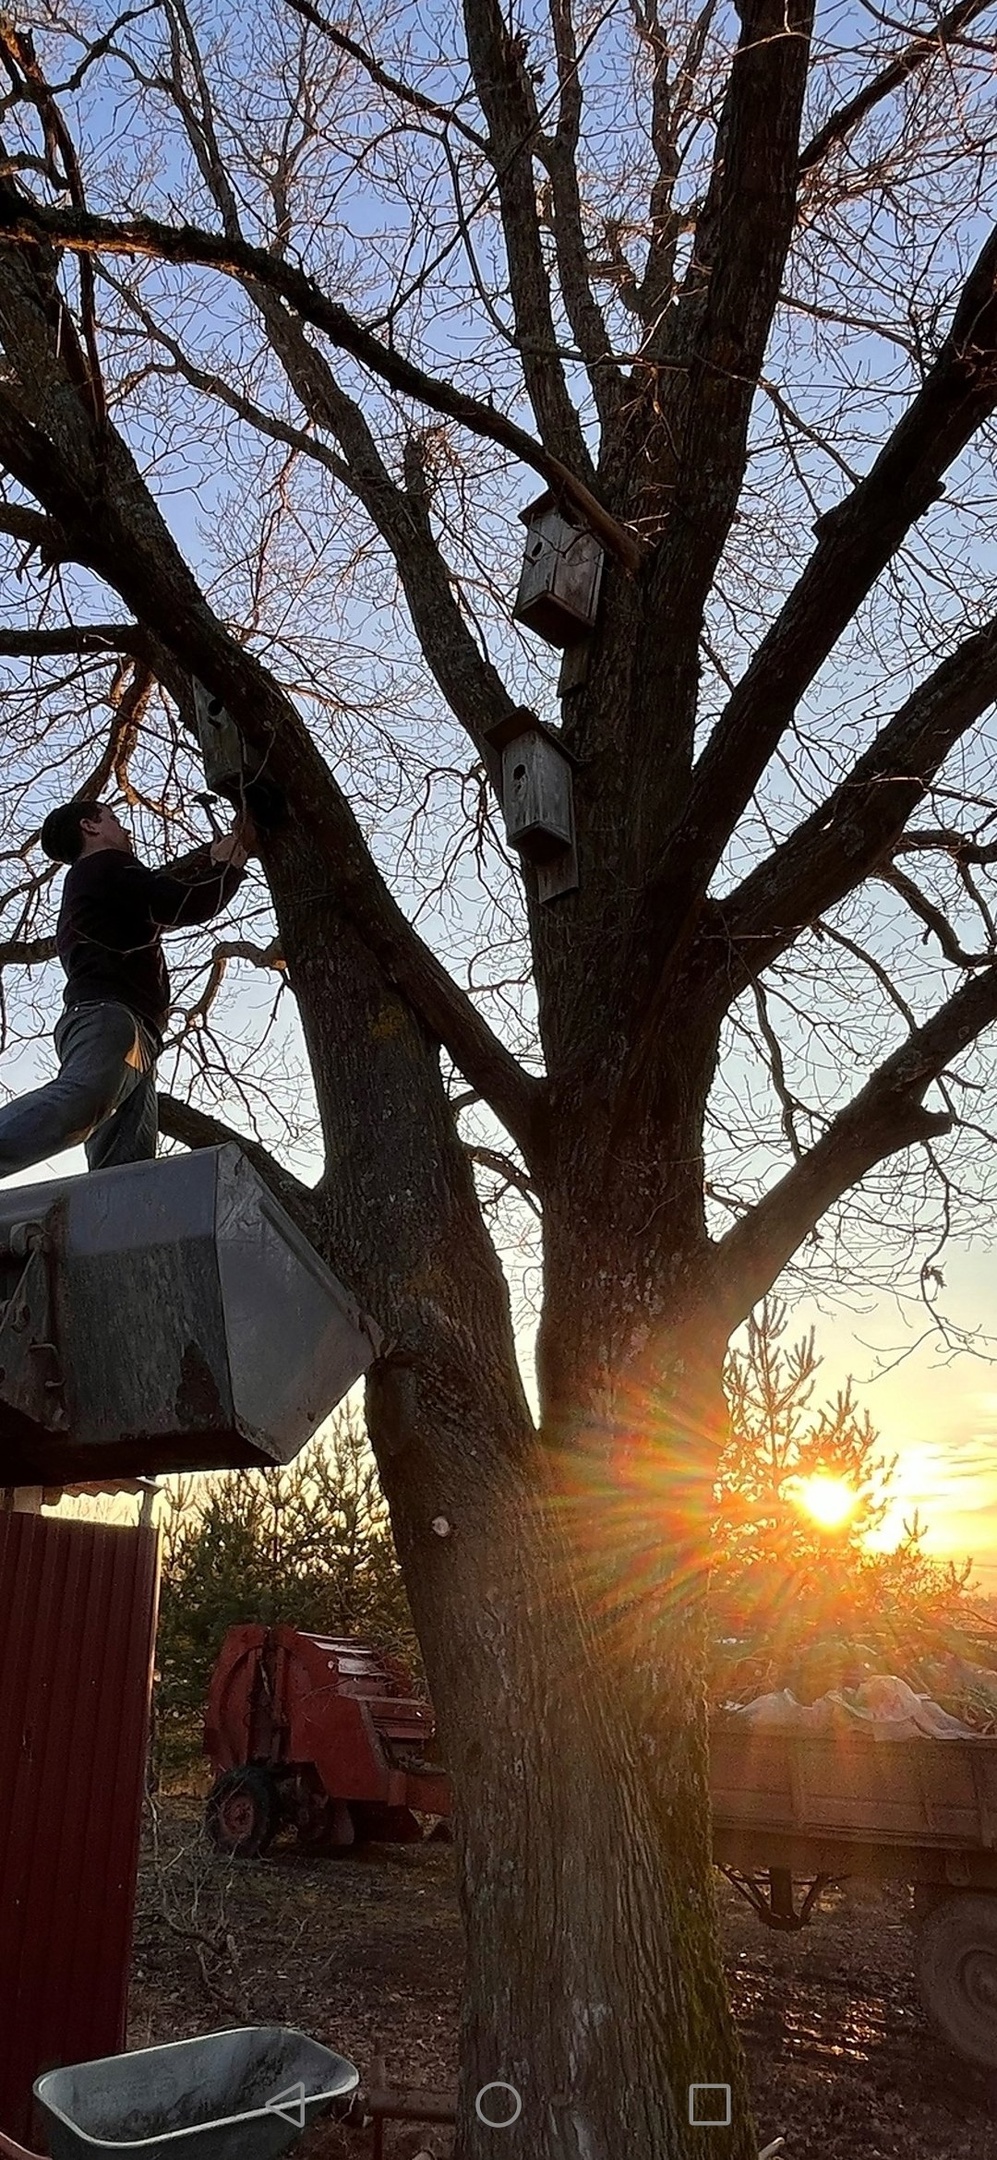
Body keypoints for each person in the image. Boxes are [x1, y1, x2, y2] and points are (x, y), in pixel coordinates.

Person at [0, 799, 256, 1178]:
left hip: (137, 1036)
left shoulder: (106, 883)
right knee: (83, 1099)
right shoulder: (102, 866)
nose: (125, 829)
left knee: (124, 1170)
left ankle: (115, 1233)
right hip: (111, 1018)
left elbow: (163, 893)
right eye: (115, 819)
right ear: (90, 826)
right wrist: (231, 861)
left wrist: (214, 860)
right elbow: (178, 902)